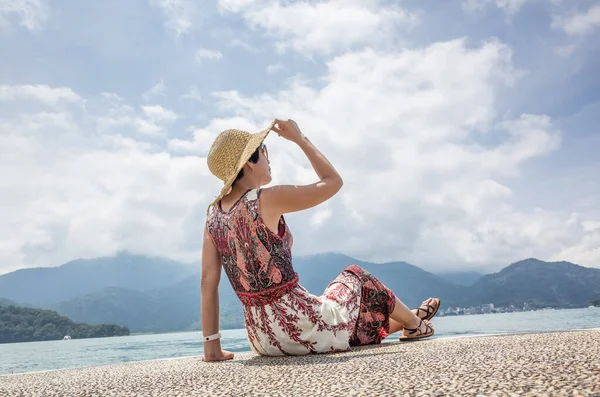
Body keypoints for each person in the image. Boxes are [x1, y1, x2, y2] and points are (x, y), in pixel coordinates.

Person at [200, 119, 440, 362]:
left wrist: (212, 348)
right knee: (355, 275)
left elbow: (207, 283)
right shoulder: (267, 199)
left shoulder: (213, 215)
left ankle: (407, 319)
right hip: (303, 327)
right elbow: (333, 182)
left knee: (337, 318)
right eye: (264, 150)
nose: (267, 157)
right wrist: (299, 138)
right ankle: (414, 324)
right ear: (249, 162)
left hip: (263, 339)